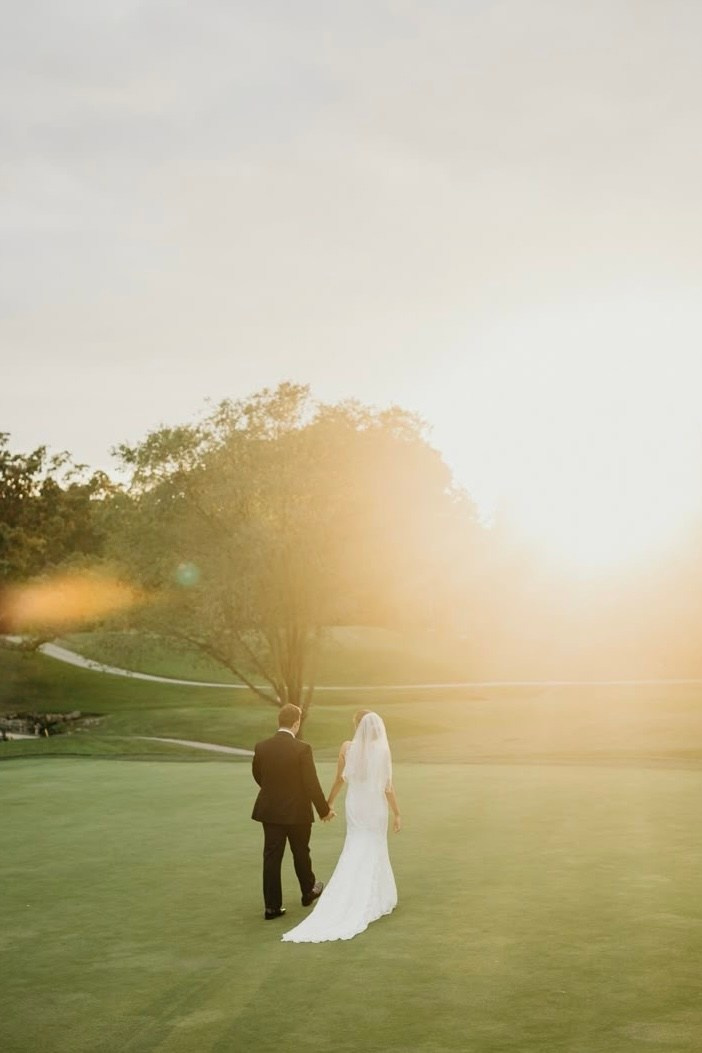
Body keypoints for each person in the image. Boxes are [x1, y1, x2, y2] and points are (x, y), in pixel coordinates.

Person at [281, 709, 401, 943]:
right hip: (375, 807)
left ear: (357, 725)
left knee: (355, 844)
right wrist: (397, 813)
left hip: (355, 805)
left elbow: (340, 779)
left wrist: (329, 803)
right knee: (374, 846)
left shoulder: (347, 747)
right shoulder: (383, 751)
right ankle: (376, 895)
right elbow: (388, 787)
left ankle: (355, 892)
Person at [251, 703, 334, 921]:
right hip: (298, 812)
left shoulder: (262, 747)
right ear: (296, 724)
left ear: (279, 722)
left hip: (270, 811)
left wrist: (273, 792)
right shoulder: (302, 749)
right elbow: (311, 784)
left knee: (271, 857)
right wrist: (324, 810)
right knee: (301, 852)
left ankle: (272, 907)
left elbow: (258, 775)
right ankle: (308, 892)